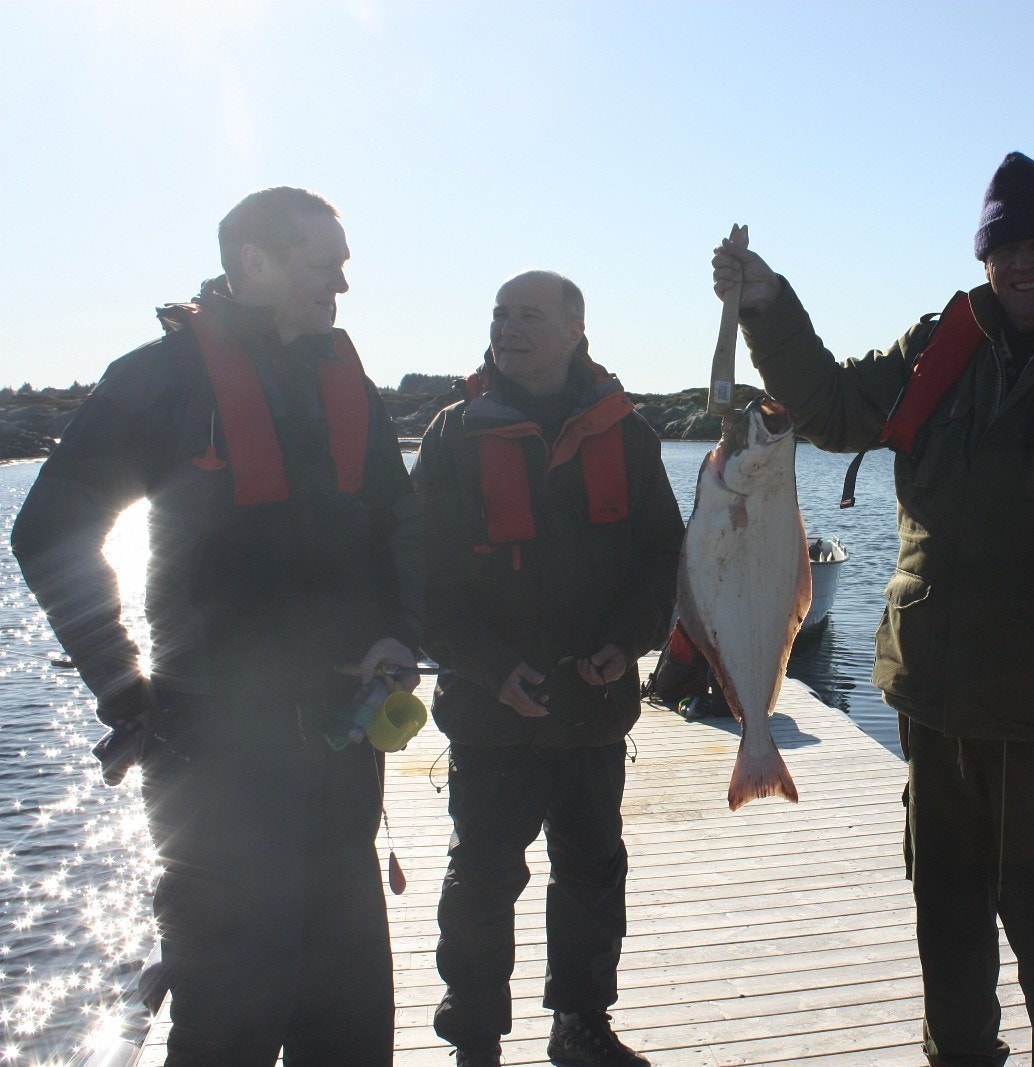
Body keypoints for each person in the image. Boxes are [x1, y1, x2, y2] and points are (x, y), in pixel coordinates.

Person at [710, 152, 1034, 1066]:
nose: (1026, 263)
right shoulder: (931, 348)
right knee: (948, 939)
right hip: (936, 711)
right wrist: (766, 304)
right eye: (1007, 247)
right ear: (984, 257)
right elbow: (831, 408)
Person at [11, 186, 423, 1066]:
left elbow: (400, 528)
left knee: (349, 1030)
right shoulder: (158, 382)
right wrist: (124, 684)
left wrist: (398, 630)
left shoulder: (342, 375)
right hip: (216, 763)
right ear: (254, 265)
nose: (341, 286)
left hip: (343, 755)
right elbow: (48, 532)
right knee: (228, 1028)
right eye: (325, 266)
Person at [413, 270, 682, 1067]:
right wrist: (490, 668)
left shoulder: (627, 435)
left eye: (529, 315)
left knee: (593, 872)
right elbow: (419, 579)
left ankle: (581, 1024)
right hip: (494, 708)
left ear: (575, 330)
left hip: (593, 709)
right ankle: (475, 1035)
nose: (509, 326)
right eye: (500, 313)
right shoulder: (452, 435)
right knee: (484, 877)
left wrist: (629, 638)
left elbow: (660, 555)